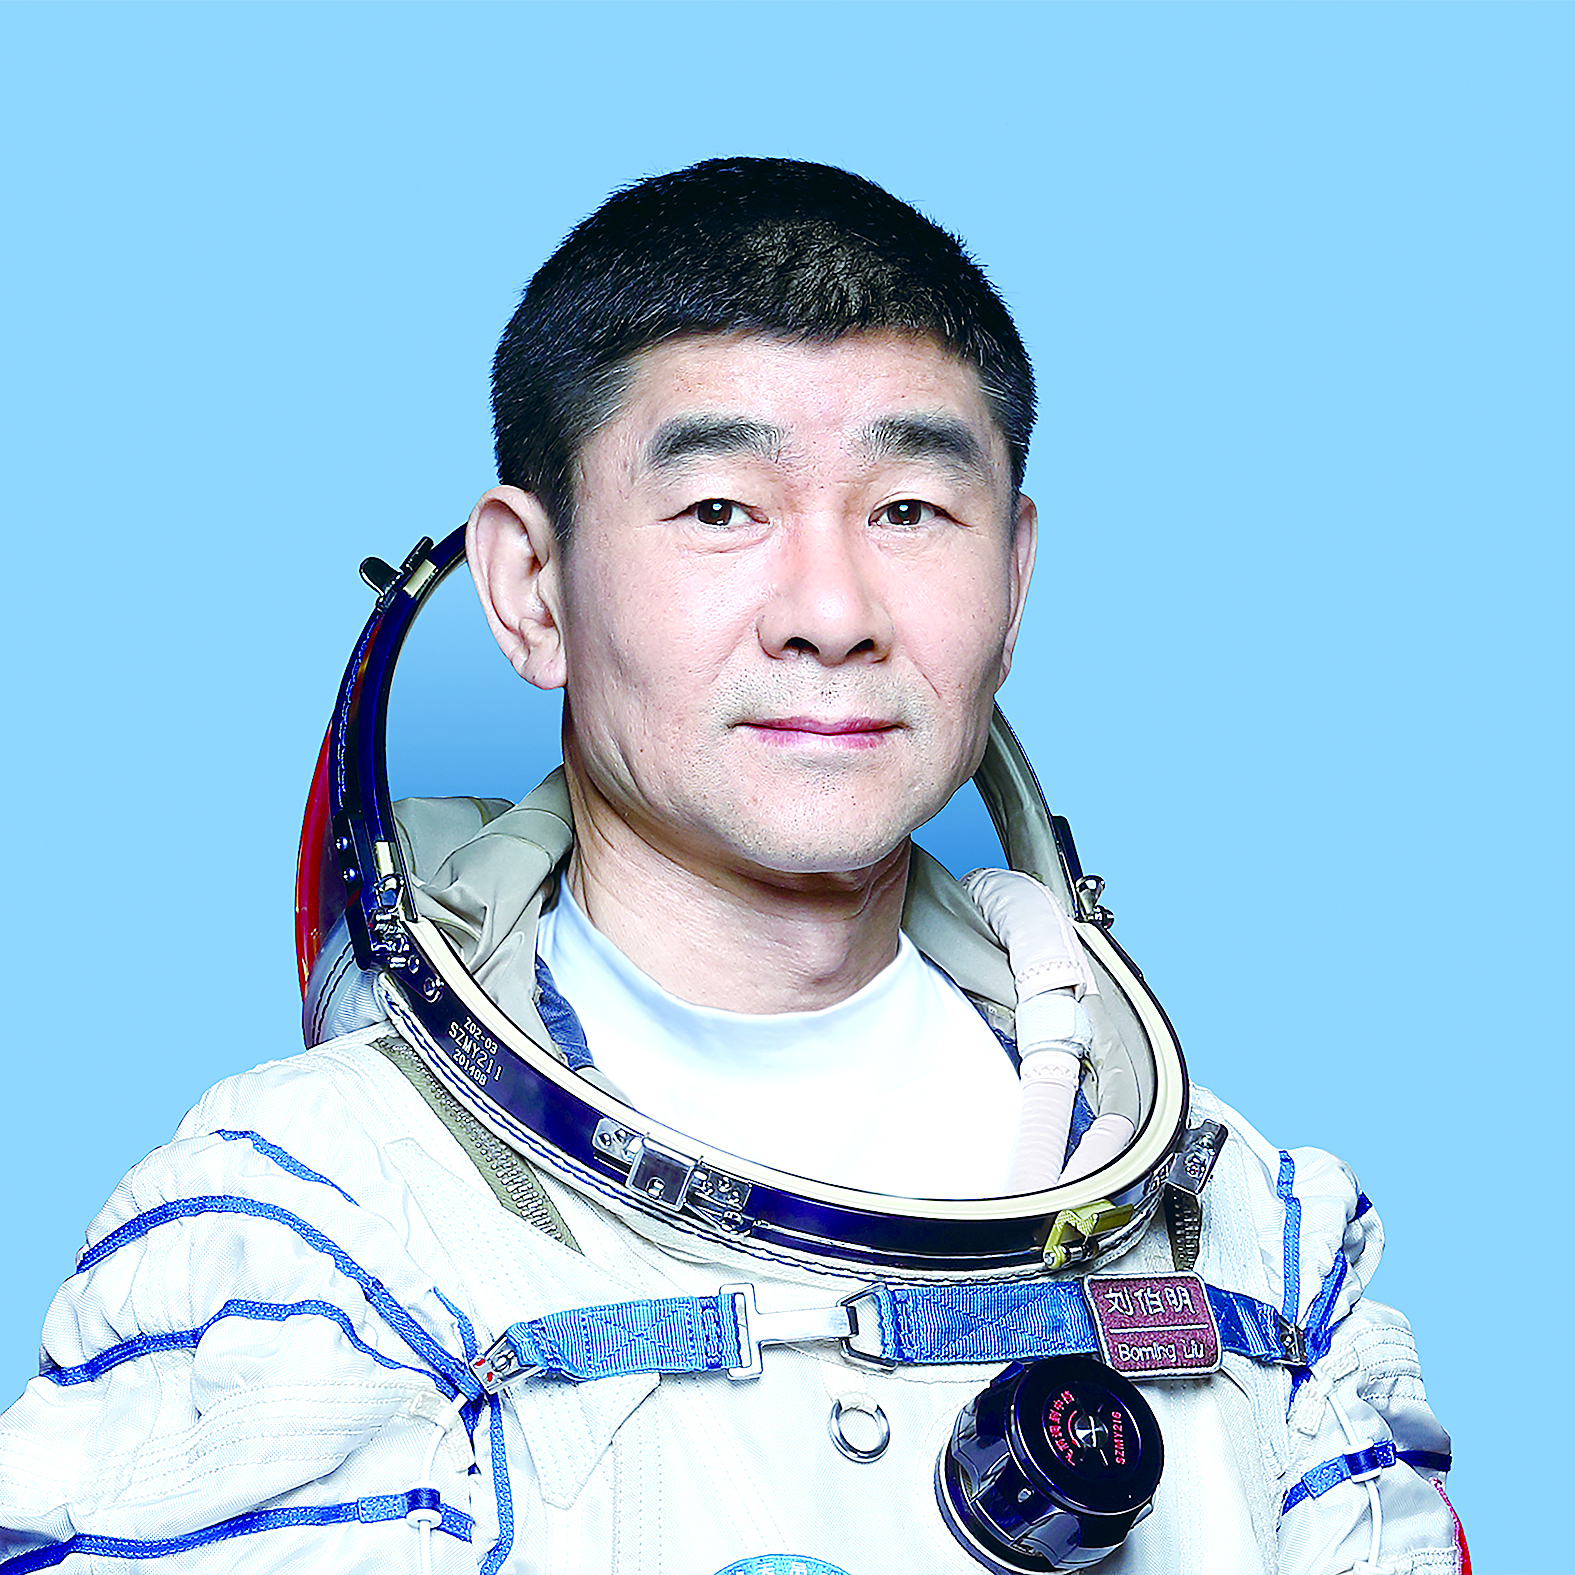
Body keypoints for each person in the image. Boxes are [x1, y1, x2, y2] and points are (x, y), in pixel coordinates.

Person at [0, 158, 1466, 1575]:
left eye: (910, 510)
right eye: (720, 510)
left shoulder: (1263, 1249)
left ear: (1015, 578)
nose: (830, 610)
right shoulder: (315, 1228)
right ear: (531, 587)